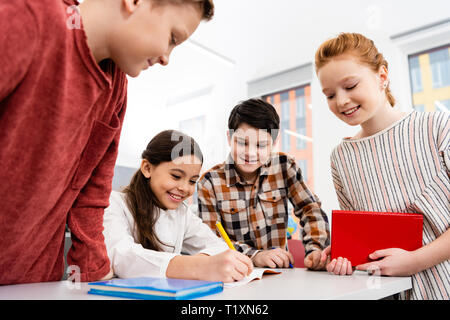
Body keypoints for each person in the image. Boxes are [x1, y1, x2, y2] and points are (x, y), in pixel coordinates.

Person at [0, 0, 214, 285]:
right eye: (172, 38)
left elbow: (91, 194)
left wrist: (94, 273)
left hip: (33, 281)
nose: (166, 58)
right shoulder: (30, 17)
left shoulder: (116, 90)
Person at [315, 32, 450, 299]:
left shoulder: (436, 128)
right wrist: (344, 253)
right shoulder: (341, 157)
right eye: (329, 94)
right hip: (386, 292)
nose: (341, 101)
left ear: (382, 76)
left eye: (351, 86)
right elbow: (364, 238)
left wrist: (415, 261)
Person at [103, 130, 253, 282]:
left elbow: (218, 247)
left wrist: (204, 261)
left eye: (192, 181)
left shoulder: (182, 213)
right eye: (176, 176)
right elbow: (120, 255)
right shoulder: (114, 203)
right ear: (147, 168)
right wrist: (198, 266)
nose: (184, 188)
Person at [197, 98, 330, 270]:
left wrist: (316, 249)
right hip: (234, 276)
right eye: (242, 143)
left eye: (261, 145)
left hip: (280, 274)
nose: (250, 153)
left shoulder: (284, 166)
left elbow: (310, 209)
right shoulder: (210, 183)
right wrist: (256, 256)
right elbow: (211, 241)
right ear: (229, 138)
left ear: (273, 144)